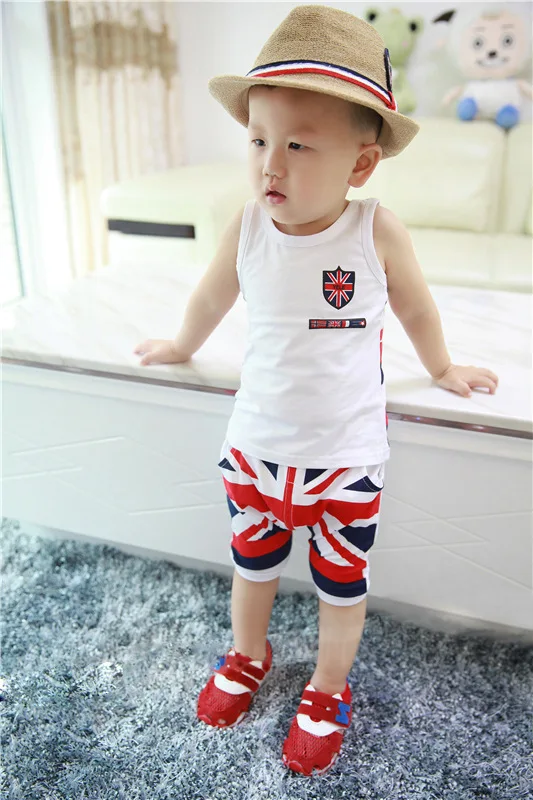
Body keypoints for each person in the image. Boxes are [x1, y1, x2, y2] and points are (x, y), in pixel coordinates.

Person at [134, 5, 498, 778]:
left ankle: (328, 686)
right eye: (257, 140)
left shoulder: (372, 231)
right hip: (256, 450)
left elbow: (414, 307)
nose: (270, 164)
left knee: (341, 584)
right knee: (251, 567)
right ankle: (247, 653)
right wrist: (180, 345)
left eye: (297, 145)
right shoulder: (247, 227)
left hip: (344, 460)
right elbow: (210, 297)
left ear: (360, 165)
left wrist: (441, 367)